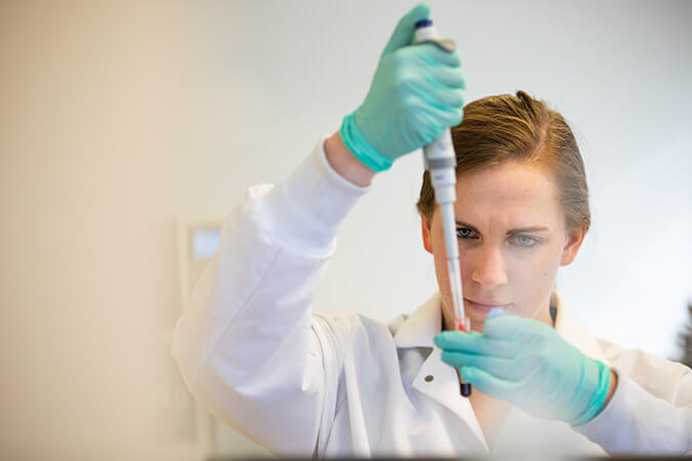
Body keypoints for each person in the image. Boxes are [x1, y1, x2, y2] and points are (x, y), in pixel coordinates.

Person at [172, 3, 692, 457]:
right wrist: (349, 156)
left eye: (524, 239)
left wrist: (602, 404)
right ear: (427, 228)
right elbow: (224, 360)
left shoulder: (660, 395)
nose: (488, 276)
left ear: (572, 241)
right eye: (463, 233)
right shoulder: (351, 372)